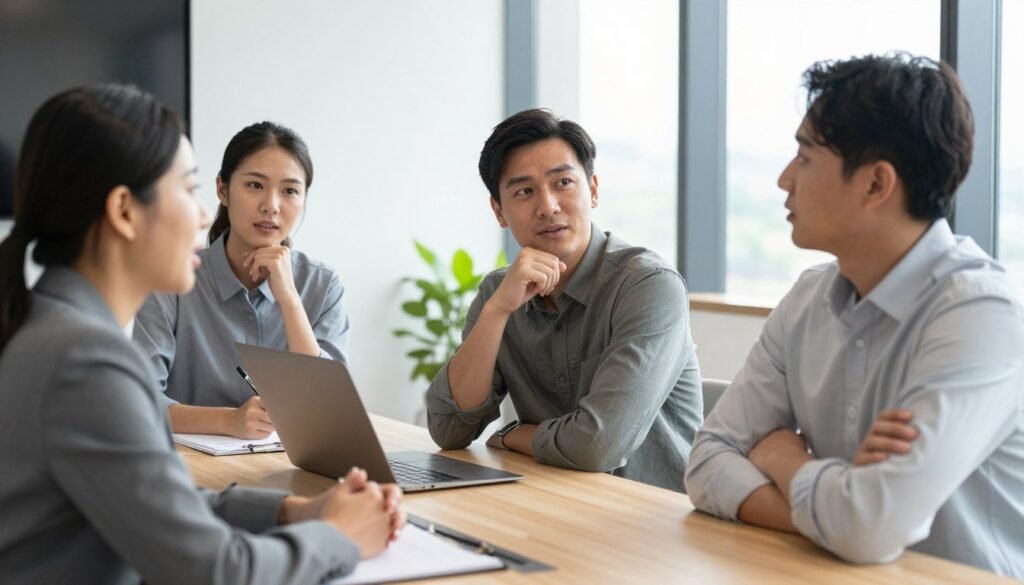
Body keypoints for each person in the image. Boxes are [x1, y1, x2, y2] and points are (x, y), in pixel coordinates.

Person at [0, 84, 403, 584]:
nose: (202, 216)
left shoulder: (58, 329)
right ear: (124, 210)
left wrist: (293, 513)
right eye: (187, 189)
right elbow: (216, 571)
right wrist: (339, 537)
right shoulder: (85, 361)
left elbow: (156, 499)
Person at [684, 53, 1024, 578]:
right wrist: (839, 513)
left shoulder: (979, 314)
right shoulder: (807, 298)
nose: (783, 179)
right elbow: (707, 462)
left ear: (875, 184)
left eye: (804, 157)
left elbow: (870, 526)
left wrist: (782, 458)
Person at [425, 109, 702, 492]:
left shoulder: (648, 286)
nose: (548, 206)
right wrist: (498, 312)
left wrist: (512, 436)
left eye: (564, 183)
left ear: (593, 190)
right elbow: (448, 428)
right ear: (498, 211)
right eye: (524, 191)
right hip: (553, 503)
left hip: (652, 521)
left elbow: (597, 446)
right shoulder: (500, 292)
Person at [133, 122, 349, 439]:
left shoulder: (323, 285)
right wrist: (228, 421)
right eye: (255, 185)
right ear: (223, 189)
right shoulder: (173, 278)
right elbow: (139, 402)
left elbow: (329, 410)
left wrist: (289, 301)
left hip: (287, 470)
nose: (271, 206)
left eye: (290, 190)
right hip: (192, 472)